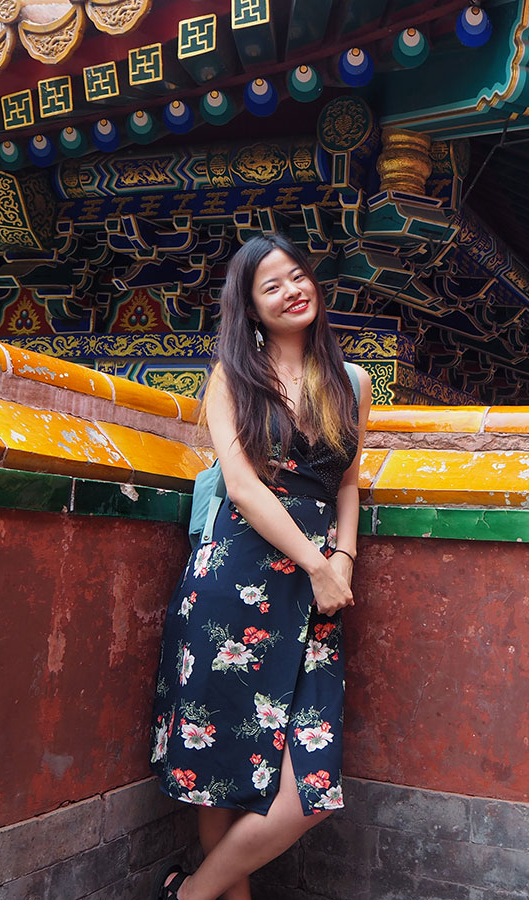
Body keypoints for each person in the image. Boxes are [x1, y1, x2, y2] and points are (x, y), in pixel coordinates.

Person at [149, 233, 372, 900]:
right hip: (234, 580)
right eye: (270, 285)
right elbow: (244, 488)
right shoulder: (232, 376)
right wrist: (317, 563)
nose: (290, 289)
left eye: (297, 275)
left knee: (308, 787)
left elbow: (351, 483)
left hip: (316, 587)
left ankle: (185, 895)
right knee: (221, 771)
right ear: (250, 307)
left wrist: (343, 560)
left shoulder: (352, 382)